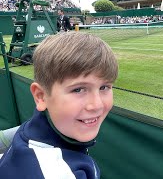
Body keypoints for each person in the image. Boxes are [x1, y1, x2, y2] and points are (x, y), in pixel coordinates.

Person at [0, 32, 118, 178]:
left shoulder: (34, 129)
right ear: (40, 96)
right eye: (78, 89)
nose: (97, 104)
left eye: (104, 87)